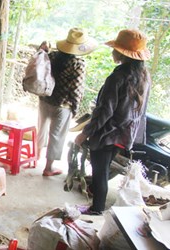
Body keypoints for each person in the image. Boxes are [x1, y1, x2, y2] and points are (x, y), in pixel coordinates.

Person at [75, 29, 151, 215]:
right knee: (104, 169)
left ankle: (97, 208)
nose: (112, 52)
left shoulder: (117, 77)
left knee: (100, 172)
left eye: (115, 48)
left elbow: (104, 112)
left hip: (107, 133)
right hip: (124, 134)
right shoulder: (144, 76)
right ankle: (97, 203)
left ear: (122, 53)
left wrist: (85, 133)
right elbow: (141, 112)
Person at [37, 28, 97, 176]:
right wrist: (75, 108)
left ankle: (36, 156)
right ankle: (48, 168)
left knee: (41, 130)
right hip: (63, 105)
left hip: (45, 99)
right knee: (56, 136)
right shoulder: (78, 64)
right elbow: (77, 89)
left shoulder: (53, 56)